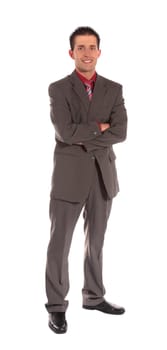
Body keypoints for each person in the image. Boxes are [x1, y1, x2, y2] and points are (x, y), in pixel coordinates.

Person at [45, 26, 128, 334]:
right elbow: (64, 132)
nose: (87, 52)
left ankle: (93, 296)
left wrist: (87, 133)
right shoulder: (58, 88)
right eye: (81, 48)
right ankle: (56, 307)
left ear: (99, 52)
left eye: (92, 47)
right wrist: (100, 128)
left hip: (103, 176)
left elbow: (121, 132)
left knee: (96, 243)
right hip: (69, 177)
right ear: (72, 53)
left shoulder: (114, 89)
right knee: (59, 244)